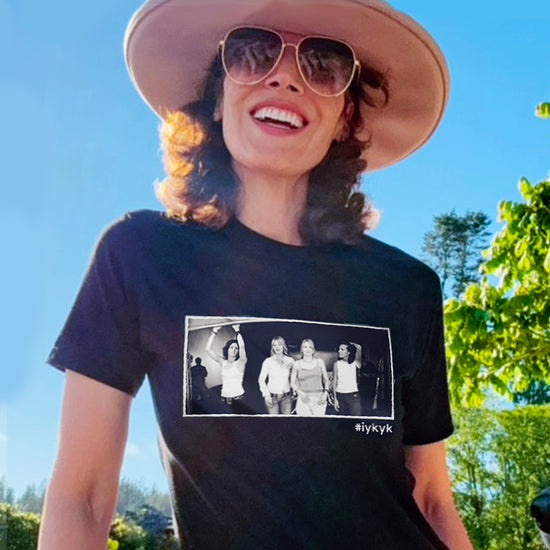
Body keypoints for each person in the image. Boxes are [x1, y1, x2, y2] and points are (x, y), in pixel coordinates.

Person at [38, 0, 474, 548]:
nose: (286, 79)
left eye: (324, 65)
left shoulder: (406, 287)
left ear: (345, 119)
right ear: (218, 99)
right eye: (253, 53)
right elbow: (83, 494)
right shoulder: (139, 254)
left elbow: (432, 496)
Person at [205, 324, 247, 406]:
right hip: (224, 399)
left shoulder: (241, 361)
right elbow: (208, 349)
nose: (234, 350)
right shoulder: (222, 362)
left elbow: (242, 346)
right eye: (231, 347)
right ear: (227, 349)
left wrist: (237, 330)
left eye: (236, 348)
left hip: (238, 399)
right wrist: (214, 331)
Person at [291, 339, 330, 416]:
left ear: (313, 350)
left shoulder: (320, 362)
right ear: (302, 349)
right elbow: (292, 383)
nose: (307, 349)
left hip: (319, 398)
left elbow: (326, 380)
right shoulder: (296, 364)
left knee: (318, 425)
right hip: (303, 398)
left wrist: (325, 393)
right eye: (305, 347)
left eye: (310, 347)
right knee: (304, 425)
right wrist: (300, 392)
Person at [258, 336, 294, 414]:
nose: (277, 347)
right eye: (274, 345)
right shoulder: (268, 361)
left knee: (287, 422)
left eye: (279, 344)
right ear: (272, 347)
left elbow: (295, 377)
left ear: (283, 346)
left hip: (287, 398)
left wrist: (293, 390)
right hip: (272, 398)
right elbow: (261, 380)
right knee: (274, 423)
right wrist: (266, 395)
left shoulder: (290, 361)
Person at [333, 341, 362, 416]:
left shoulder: (355, 362)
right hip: (340, 395)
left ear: (348, 352)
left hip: (353, 395)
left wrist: (353, 344)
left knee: (356, 419)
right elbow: (334, 381)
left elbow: (359, 347)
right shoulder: (336, 364)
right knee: (344, 421)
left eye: (342, 349)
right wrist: (335, 399)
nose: (339, 351)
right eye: (339, 349)